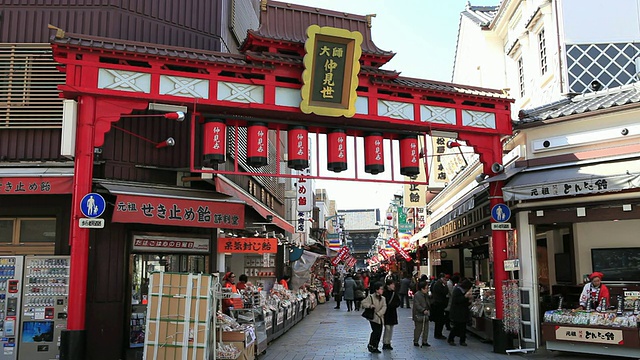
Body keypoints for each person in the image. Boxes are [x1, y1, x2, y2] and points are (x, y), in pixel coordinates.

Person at [361, 282, 387, 353]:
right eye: (381, 289)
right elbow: (363, 303)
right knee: (375, 331)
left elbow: (384, 306)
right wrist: (370, 305)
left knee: (379, 332)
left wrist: (380, 313)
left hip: (380, 318)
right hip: (373, 318)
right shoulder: (371, 297)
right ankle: (371, 345)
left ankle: (376, 346)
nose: (382, 290)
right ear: (376, 290)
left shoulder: (383, 298)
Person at [448, 278, 473, 346]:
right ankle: (451, 339)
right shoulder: (457, 290)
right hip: (457, 312)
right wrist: (465, 297)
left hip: (463, 311)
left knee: (463, 327)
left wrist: (469, 301)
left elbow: (464, 302)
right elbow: (457, 301)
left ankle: (462, 340)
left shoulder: (462, 290)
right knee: (456, 326)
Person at [382, 278, 401, 350]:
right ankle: (385, 342)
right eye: (392, 284)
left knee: (391, 328)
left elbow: (398, 302)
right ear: (388, 286)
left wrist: (395, 305)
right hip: (386, 313)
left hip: (392, 312)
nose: (393, 286)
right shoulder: (384, 293)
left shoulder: (394, 293)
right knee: (387, 328)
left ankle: (388, 342)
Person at [430, 273, 449, 340]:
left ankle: (438, 333)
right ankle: (438, 334)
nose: (445, 280)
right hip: (439, 304)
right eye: (444, 278)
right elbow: (445, 292)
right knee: (439, 320)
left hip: (438, 304)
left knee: (439, 320)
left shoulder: (437, 284)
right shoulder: (439, 285)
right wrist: (445, 285)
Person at [412, 280, 431, 347]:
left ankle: (424, 341)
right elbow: (417, 305)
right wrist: (423, 310)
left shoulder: (426, 295)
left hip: (426, 314)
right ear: (422, 288)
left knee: (426, 329)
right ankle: (416, 341)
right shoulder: (417, 295)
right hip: (419, 314)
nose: (427, 289)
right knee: (418, 329)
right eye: (426, 288)